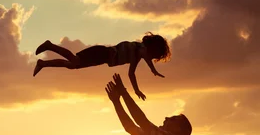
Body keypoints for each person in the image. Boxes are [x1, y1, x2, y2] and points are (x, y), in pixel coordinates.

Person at [34, 33, 171, 100]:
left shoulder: (137, 56)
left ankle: (43, 63)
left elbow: (131, 74)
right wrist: (152, 70)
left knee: (72, 65)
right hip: (101, 53)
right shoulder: (140, 49)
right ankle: (49, 45)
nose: (151, 59)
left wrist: (137, 90)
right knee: (74, 61)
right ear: (152, 48)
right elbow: (143, 56)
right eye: (154, 56)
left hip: (101, 58)